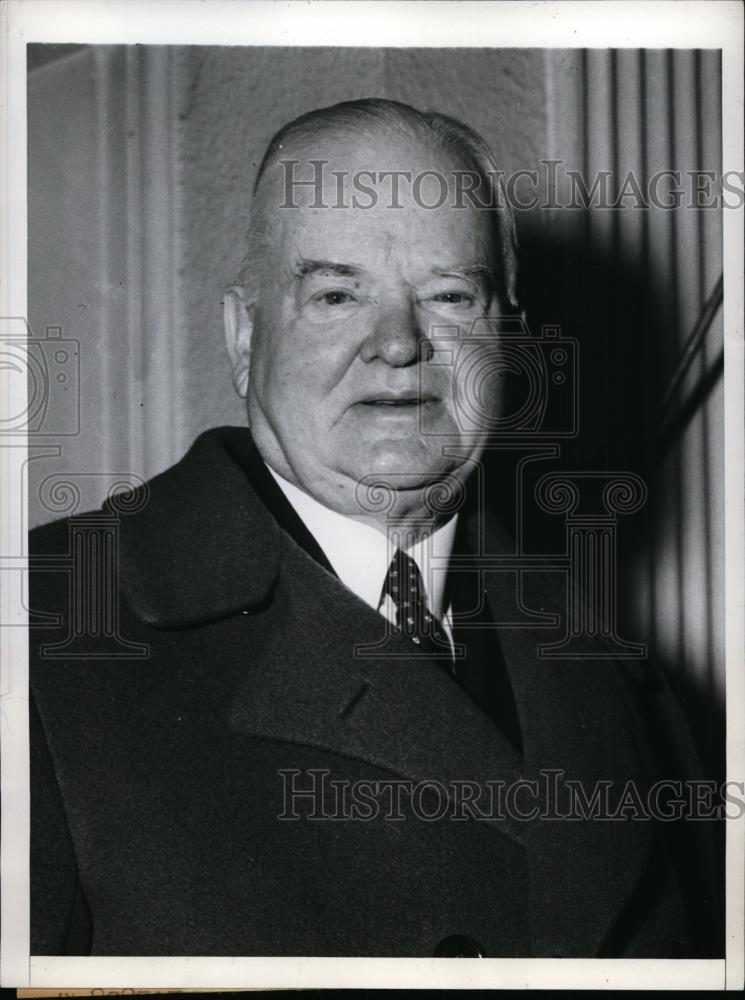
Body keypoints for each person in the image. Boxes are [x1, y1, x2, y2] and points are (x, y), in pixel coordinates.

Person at [29, 98, 720, 958]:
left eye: (448, 295)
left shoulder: (618, 669)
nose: (398, 343)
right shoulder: (45, 626)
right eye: (334, 294)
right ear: (245, 337)